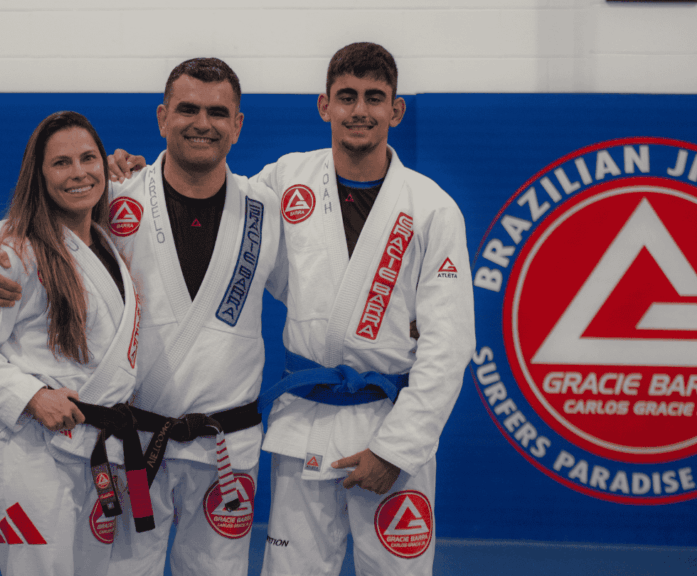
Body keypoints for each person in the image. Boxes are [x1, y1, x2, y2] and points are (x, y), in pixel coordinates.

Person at [112, 42, 475, 576]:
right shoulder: (285, 183)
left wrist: (400, 448)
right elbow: (205, 192)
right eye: (346, 96)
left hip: (388, 418)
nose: (360, 110)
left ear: (395, 111)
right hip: (302, 418)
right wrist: (129, 177)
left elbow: (450, 346)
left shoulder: (432, 208)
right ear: (324, 105)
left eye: (375, 98)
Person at [0, 58, 281, 576]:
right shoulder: (117, 197)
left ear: (238, 124)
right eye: (187, 108)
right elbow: (34, 226)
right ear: (161, 117)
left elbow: (323, 282)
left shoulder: (266, 208)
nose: (203, 122)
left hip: (226, 443)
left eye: (218, 112)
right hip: (136, 442)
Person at [0, 111, 140, 576]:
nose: (78, 173)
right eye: (61, 163)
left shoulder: (108, 243)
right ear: (39, 175)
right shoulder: (15, 253)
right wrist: (31, 396)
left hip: (96, 453)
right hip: (33, 456)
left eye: (89, 158)